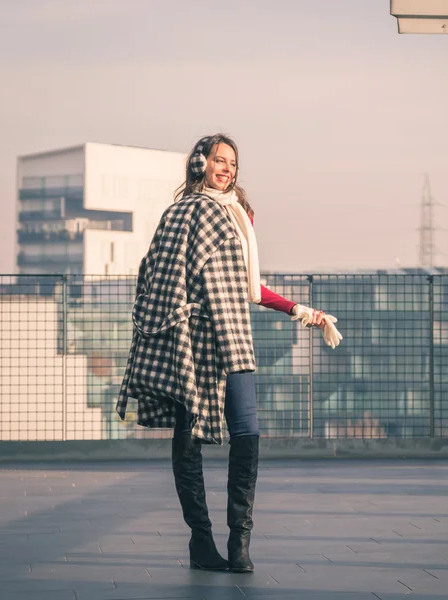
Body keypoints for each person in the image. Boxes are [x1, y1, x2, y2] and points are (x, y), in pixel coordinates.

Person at [116, 134, 342, 573]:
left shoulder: (239, 215)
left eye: (233, 163)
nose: (227, 169)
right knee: (188, 434)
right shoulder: (181, 213)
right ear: (201, 162)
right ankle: (201, 541)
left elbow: (249, 286)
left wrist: (303, 311)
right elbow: (156, 273)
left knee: (247, 429)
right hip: (190, 336)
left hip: (233, 332)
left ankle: (240, 542)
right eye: (220, 160)